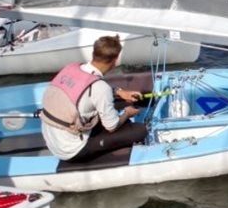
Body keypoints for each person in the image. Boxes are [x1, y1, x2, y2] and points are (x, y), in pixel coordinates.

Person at [40, 35, 148, 163]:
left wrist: (119, 92)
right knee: (140, 131)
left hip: (52, 138)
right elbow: (112, 126)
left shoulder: (71, 68)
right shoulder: (101, 88)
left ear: (94, 53)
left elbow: (86, 89)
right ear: (115, 60)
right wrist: (127, 113)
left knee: (113, 106)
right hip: (71, 149)